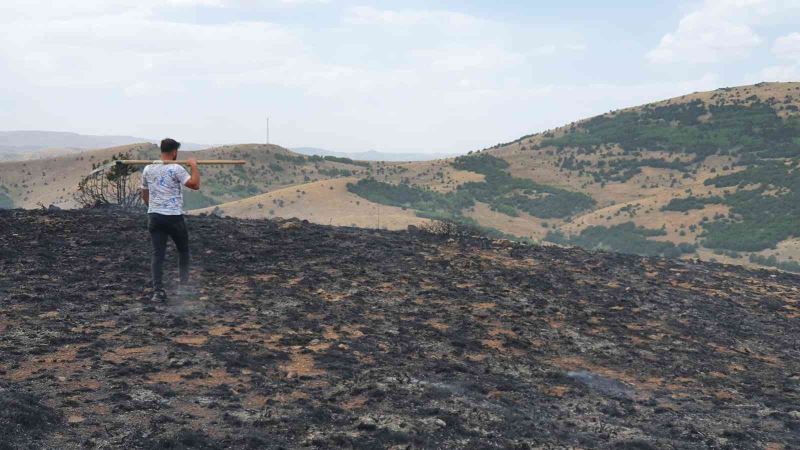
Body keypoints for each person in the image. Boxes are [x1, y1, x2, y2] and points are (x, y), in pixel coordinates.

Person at [140, 138, 201, 302]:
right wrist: (194, 165)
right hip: (173, 217)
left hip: (154, 216)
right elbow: (195, 185)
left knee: (157, 254)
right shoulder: (176, 168)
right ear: (174, 152)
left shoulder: (148, 169)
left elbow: (144, 194)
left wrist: (153, 207)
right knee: (183, 250)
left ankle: (158, 292)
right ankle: (183, 287)